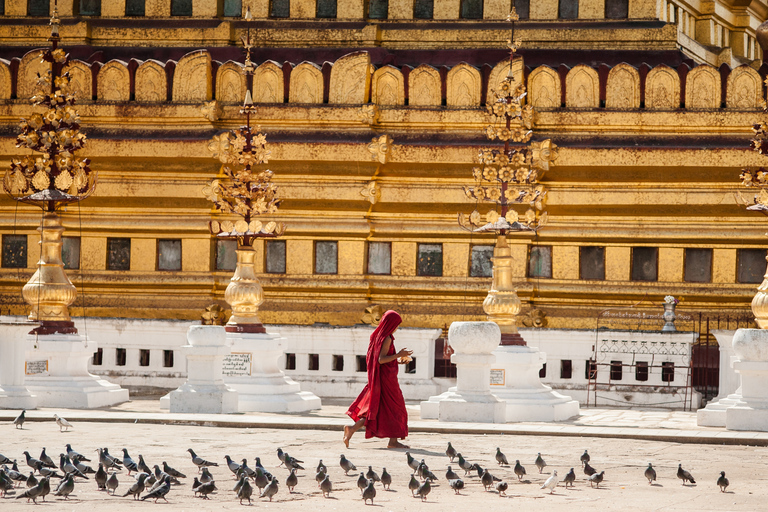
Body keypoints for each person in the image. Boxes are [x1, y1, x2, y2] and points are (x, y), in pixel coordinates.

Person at [344, 310, 413, 449]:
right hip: (387, 382)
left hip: (382, 380)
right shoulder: (386, 338)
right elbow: (381, 360)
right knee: (397, 410)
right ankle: (393, 441)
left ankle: (351, 429)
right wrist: (399, 354)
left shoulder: (378, 336)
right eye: (396, 325)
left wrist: (398, 361)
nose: (397, 328)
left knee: (376, 410)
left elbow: (380, 360)